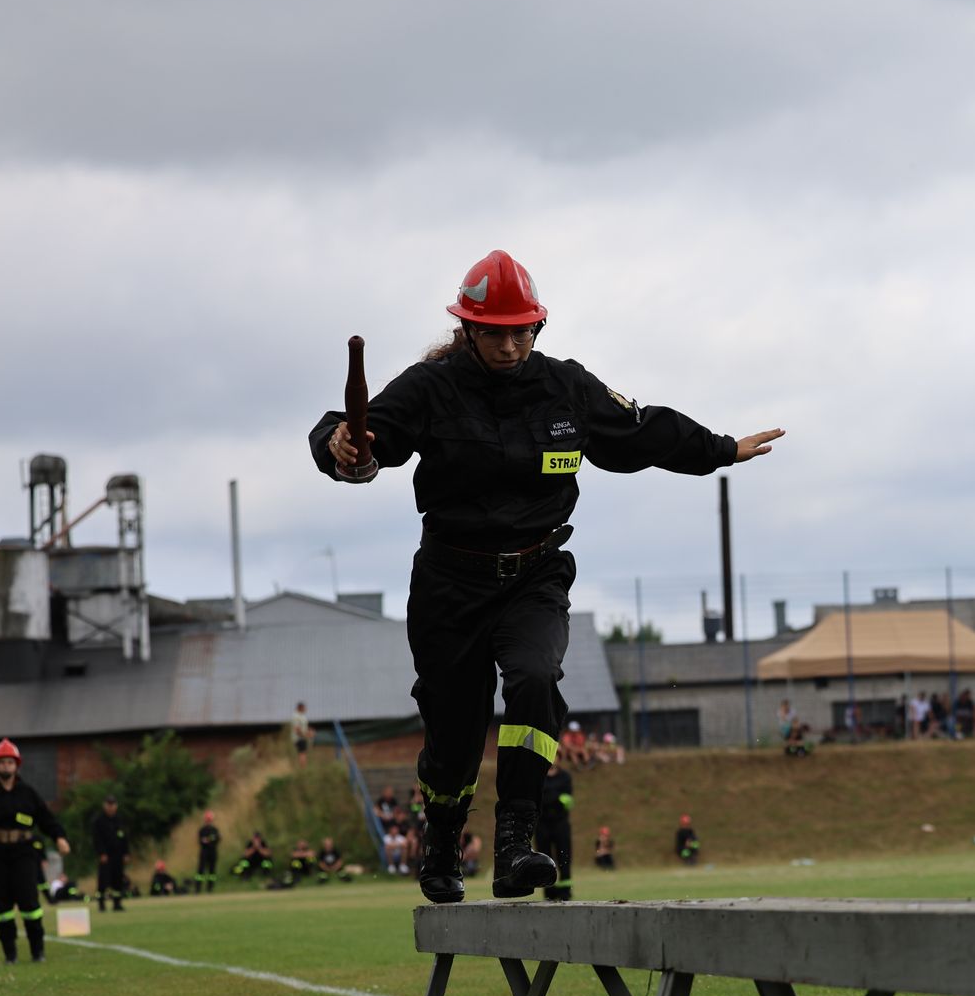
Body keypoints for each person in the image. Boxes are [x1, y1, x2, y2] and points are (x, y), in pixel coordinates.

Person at [311, 249, 781, 905]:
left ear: (538, 328)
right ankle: (443, 840)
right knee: (453, 732)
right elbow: (360, 439)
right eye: (496, 332)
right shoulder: (430, 388)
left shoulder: (566, 389)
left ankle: (516, 841)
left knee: (535, 679)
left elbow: (639, 433)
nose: (510, 345)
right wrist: (340, 448)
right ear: (468, 329)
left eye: (522, 331)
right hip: (450, 583)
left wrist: (721, 449)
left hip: (536, 574)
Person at [0, 738, 71, 965]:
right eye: (2, 762)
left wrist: (59, 837)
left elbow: (46, 819)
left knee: (30, 905)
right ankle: (10, 954)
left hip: (24, 855)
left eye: (10, 762)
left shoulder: (28, 794)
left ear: (17, 765)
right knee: (2, 908)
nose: (6, 766)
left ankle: (38, 952)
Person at [537, 760, 574, 901]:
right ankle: (549, 891)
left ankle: (565, 891)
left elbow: (567, 800)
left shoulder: (565, 777)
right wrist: (555, 798)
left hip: (560, 823)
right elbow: (537, 798)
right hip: (542, 824)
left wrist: (548, 798)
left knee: (564, 856)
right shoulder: (539, 776)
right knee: (545, 858)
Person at [90, 794, 130, 914]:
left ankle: (117, 903)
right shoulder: (99, 821)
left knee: (118, 879)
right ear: (105, 805)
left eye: (113, 804)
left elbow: (124, 838)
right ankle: (101, 904)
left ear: (116, 806)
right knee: (103, 880)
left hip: (118, 855)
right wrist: (101, 853)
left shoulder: (119, 820)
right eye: (109, 804)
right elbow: (97, 839)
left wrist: (126, 853)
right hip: (106, 856)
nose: (111, 807)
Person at [194, 811, 221, 894]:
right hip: (204, 852)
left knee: (212, 872)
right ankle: (198, 889)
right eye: (207, 819)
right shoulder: (202, 830)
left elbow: (217, 839)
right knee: (200, 871)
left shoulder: (215, 830)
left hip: (213, 852)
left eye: (210, 819)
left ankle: (210, 888)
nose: (208, 821)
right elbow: (201, 841)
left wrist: (208, 840)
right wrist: (210, 839)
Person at [289, 701, 313, 767]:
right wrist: (307, 735)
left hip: (302, 737)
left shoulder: (302, 716)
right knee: (302, 754)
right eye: (304, 707)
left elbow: (303, 728)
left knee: (303, 753)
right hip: (299, 738)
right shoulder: (296, 716)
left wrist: (309, 732)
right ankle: (303, 769)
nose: (305, 709)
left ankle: (303, 768)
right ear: (300, 708)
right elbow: (297, 730)